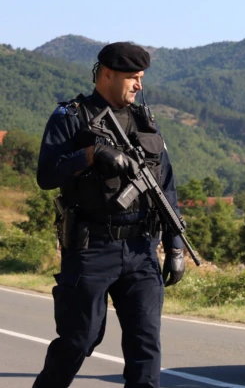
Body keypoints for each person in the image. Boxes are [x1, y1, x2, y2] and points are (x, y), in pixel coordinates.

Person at [33, 42, 186, 388]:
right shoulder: (71, 117)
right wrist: (89, 155)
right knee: (79, 340)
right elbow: (46, 175)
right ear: (106, 74)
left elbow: (167, 186)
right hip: (91, 248)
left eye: (141, 77)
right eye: (132, 77)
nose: (139, 85)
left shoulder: (145, 122)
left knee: (146, 349)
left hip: (142, 249)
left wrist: (175, 245)